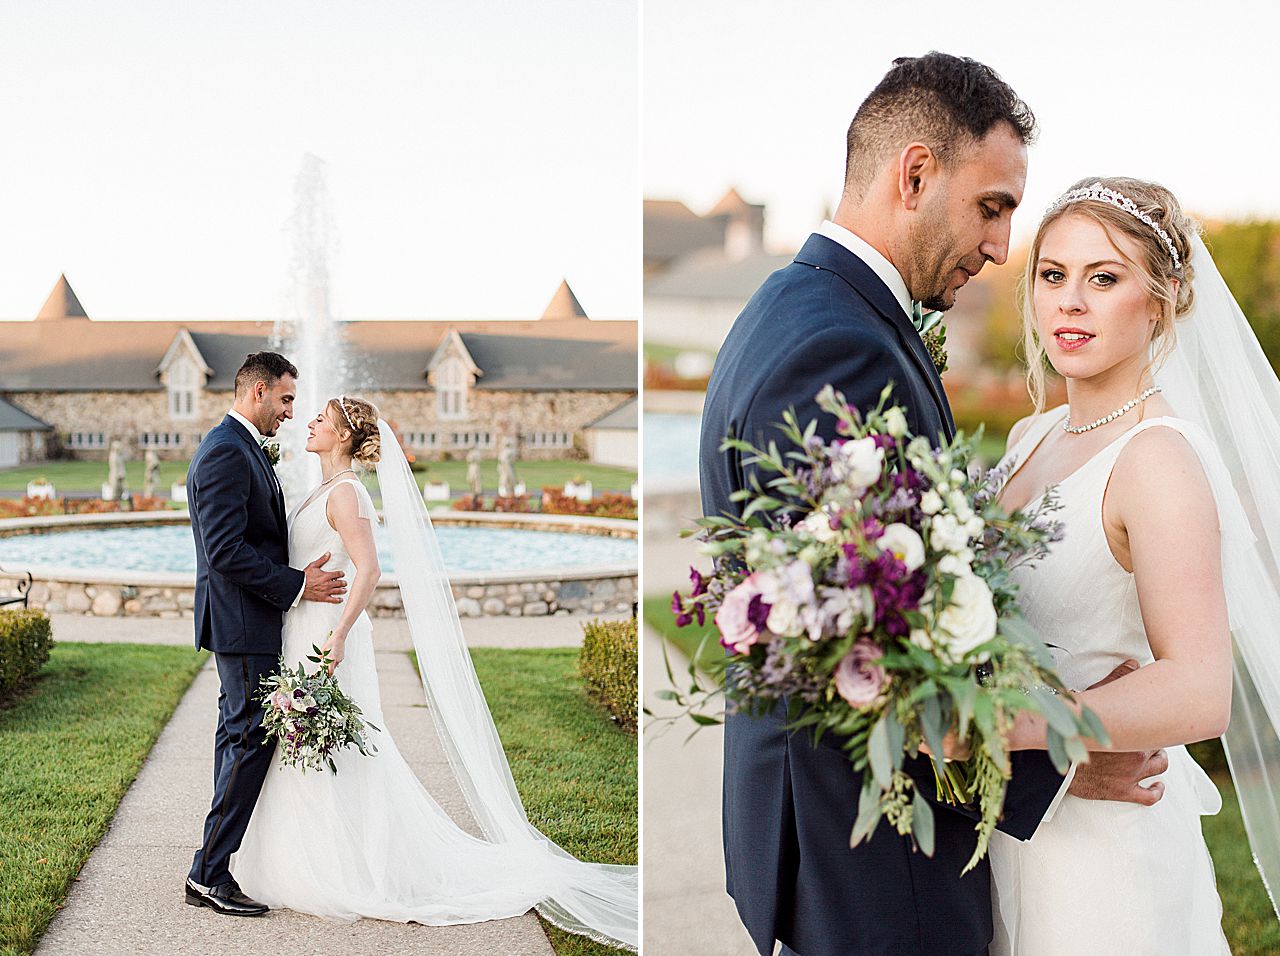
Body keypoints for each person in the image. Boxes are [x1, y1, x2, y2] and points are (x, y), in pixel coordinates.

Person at [699, 54, 1167, 956]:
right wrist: (1059, 763)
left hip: (838, 840)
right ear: (915, 174)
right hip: (872, 860)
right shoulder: (840, 347)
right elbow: (857, 645)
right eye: (992, 207)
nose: (1001, 248)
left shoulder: (804, 307)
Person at [987, 176, 1280, 953]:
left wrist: (1005, 725)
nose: (1069, 303)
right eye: (1053, 275)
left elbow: (1197, 689)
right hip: (1019, 827)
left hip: (1108, 855)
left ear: (1161, 300)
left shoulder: (1157, 459)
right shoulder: (1030, 439)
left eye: (1104, 278)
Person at [230, 396, 637, 950]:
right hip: (301, 627)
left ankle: (348, 864)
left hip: (325, 635)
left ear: (345, 436)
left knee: (332, 748)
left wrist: (340, 634)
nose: (311, 423)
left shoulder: (347, 494)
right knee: (306, 749)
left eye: (322, 419)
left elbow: (369, 569)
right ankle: (307, 855)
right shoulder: (324, 490)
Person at [185, 351, 346, 916]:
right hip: (242, 621)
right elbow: (226, 551)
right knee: (251, 738)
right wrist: (297, 584)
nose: (289, 413)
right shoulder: (226, 453)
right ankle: (208, 872)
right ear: (257, 392)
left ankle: (215, 862)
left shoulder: (239, 447)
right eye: (284, 400)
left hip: (243, 620)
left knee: (237, 738)